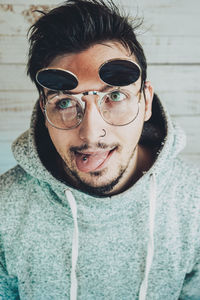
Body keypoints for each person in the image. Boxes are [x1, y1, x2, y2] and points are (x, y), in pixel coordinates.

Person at [0, 0, 199, 299]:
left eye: (115, 96)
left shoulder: (193, 202)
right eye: (65, 102)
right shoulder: (6, 207)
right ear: (44, 110)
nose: (91, 133)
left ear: (145, 102)